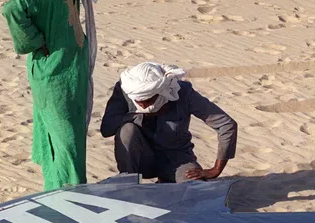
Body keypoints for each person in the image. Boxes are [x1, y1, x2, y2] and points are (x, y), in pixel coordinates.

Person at [1, 0, 98, 191]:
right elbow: (12, 8)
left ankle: (58, 188)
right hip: (53, 73)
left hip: (71, 71)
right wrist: (35, 41)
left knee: (71, 135)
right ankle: (72, 190)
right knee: (65, 137)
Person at [100, 62, 238, 183]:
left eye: (148, 99)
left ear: (163, 92)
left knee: (195, 187)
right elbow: (107, 129)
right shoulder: (126, 91)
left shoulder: (182, 92)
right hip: (141, 160)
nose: (142, 104)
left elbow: (226, 124)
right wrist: (137, 115)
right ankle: (128, 186)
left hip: (176, 159)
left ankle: (166, 181)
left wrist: (215, 170)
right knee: (127, 130)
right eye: (138, 101)